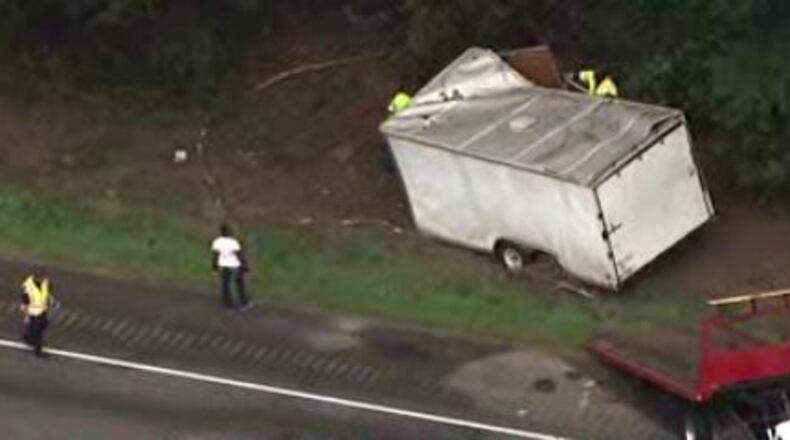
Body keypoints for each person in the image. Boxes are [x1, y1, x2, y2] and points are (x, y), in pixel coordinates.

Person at [211, 224, 252, 311]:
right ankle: (243, 302)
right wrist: (245, 266)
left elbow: (216, 255)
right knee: (239, 284)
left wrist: (215, 267)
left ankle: (228, 303)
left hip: (224, 266)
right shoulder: (233, 242)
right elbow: (239, 255)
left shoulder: (217, 242)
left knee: (225, 285)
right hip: (235, 266)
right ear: (228, 232)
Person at [19, 266, 56, 357]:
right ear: (37, 278)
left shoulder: (45, 282)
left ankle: (28, 337)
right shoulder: (28, 286)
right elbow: (25, 302)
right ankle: (38, 350)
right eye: (42, 277)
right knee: (37, 332)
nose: (44, 279)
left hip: (42, 310)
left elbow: (47, 292)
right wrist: (26, 316)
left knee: (43, 325)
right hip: (32, 311)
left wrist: (52, 300)